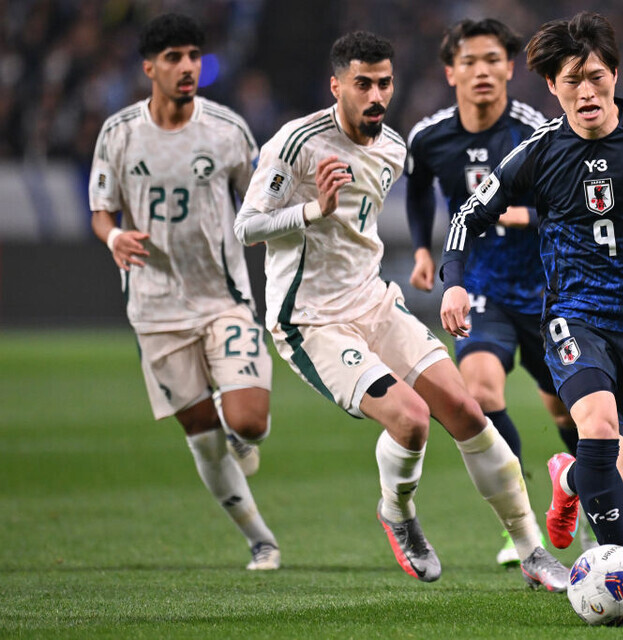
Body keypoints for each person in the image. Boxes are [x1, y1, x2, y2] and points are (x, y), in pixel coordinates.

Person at [234, 30, 567, 590]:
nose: (376, 95)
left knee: (466, 409)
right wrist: (314, 209)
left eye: (384, 82)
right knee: (412, 421)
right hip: (310, 318)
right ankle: (398, 512)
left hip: (374, 303)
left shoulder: (391, 146)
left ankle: (531, 549)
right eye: (362, 83)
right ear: (336, 85)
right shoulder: (295, 144)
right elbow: (247, 227)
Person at [440, 12, 623, 611]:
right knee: (597, 427)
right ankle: (622, 572)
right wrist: (453, 282)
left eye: (596, 77)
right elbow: (466, 217)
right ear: (552, 88)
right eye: (571, 80)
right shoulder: (536, 154)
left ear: (615, 75)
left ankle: (568, 478)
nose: (586, 92)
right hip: (575, 316)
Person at [89, 13, 280, 570]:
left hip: (223, 297)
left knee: (250, 423)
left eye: (194, 55)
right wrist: (116, 235)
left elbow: (259, 201)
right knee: (201, 433)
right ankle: (260, 539)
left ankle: (238, 428)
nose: (187, 66)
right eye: (173, 57)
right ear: (149, 67)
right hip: (154, 307)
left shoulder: (226, 130)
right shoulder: (119, 133)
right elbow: (101, 211)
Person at [405, 18, 591, 567]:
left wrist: (524, 213)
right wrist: (421, 250)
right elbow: (419, 194)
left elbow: (575, 199)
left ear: (510, 68)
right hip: (482, 289)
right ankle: (523, 528)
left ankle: (579, 492)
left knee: (570, 413)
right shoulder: (430, 137)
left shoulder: (536, 130)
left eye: (493, 60)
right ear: (451, 72)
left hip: (548, 292)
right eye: (470, 61)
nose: (482, 70)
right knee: (480, 394)